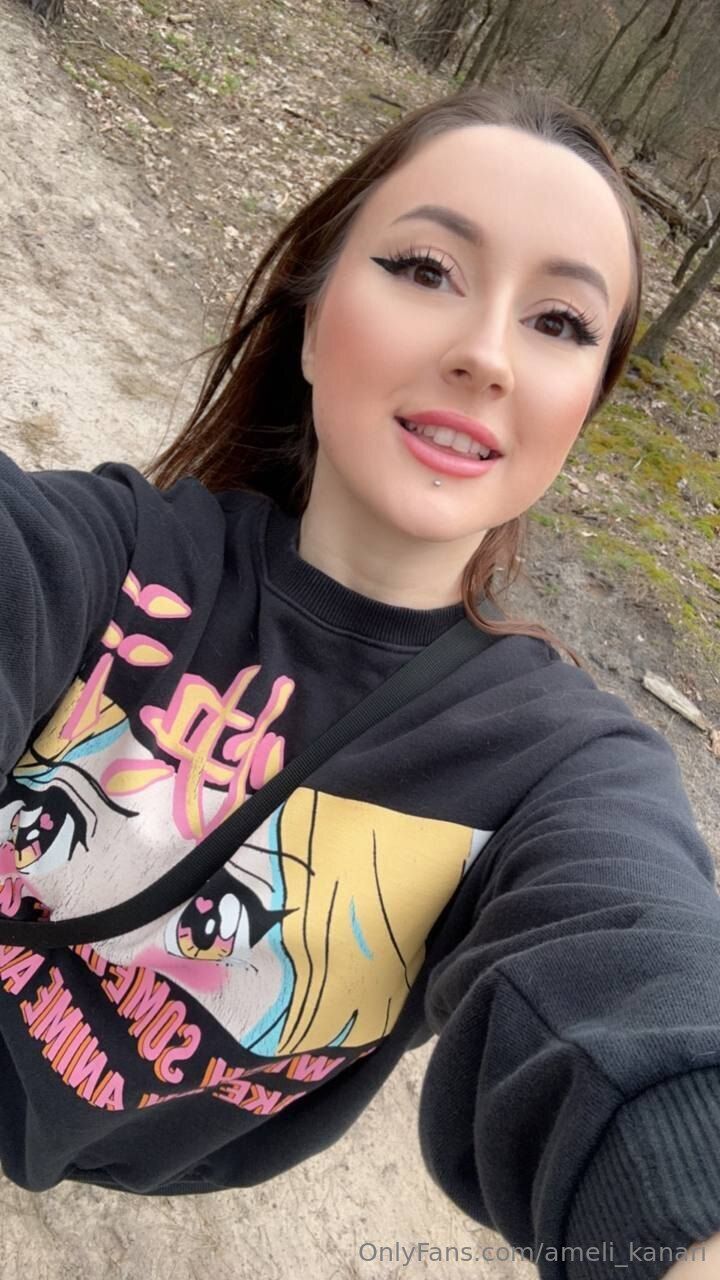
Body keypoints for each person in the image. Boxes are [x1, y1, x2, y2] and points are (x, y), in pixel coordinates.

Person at [1, 82, 719, 1279]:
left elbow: (643, 976)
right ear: (311, 315)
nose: (485, 353)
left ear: (583, 408)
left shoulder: (566, 768)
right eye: (427, 268)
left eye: (559, 322)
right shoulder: (110, 554)